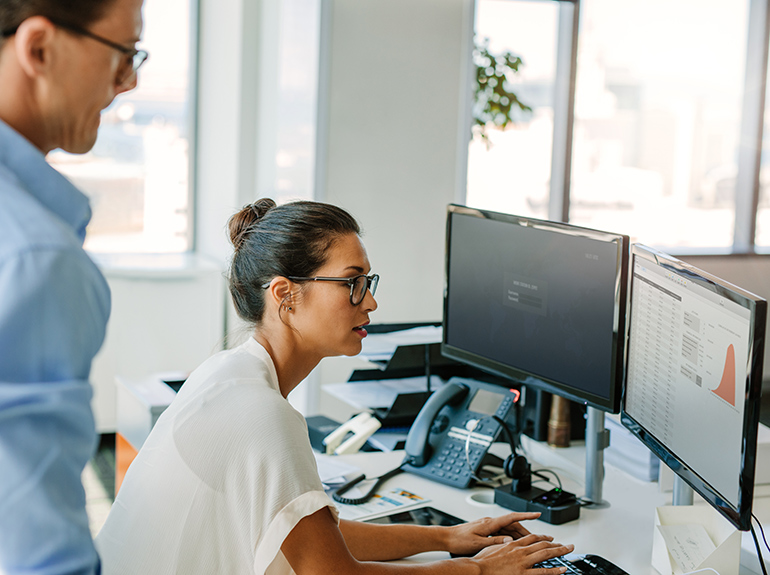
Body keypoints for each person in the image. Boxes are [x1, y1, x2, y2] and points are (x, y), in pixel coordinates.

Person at [95, 198, 574, 574]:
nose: (371, 302)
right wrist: (477, 572)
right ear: (285, 295)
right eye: (353, 283)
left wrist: (448, 538)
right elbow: (333, 571)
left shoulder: (228, 373)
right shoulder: (259, 414)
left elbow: (317, 537)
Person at [0, 0, 146, 573]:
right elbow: (39, 554)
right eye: (122, 55)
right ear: (38, 48)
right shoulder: (34, 257)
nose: (129, 81)